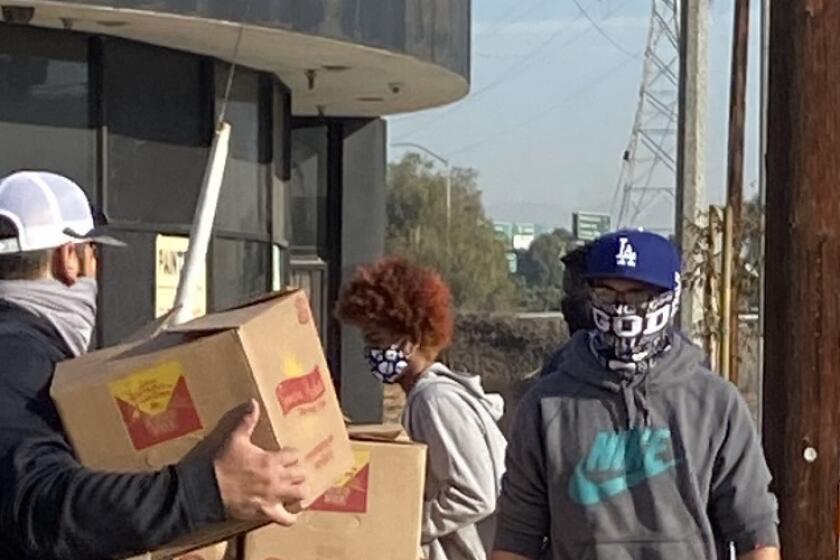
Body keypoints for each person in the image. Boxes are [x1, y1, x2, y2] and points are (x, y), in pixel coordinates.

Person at [0, 171, 308, 559]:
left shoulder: (28, 347)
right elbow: (40, 505)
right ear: (70, 259)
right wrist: (211, 490)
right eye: (94, 253)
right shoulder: (16, 355)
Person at [492, 230, 780, 560]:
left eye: (638, 295)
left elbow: (755, 532)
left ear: (669, 298)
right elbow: (517, 536)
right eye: (607, 294)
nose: (621, 309)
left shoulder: (716, 405)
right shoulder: (545, 406)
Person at [336, 257, 507, 560]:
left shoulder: (435, 401)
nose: (370, 352)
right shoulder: (428, 397)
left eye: (376, 340)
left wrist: (405, 526)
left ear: (410, 339)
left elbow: (475, 494)